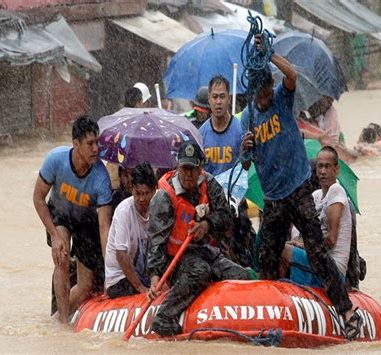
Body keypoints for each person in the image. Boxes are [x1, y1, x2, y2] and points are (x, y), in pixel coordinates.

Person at [240, 34, 361, 339]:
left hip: (297, 188)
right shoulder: (250, 117)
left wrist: (269, 54)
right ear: (254, 92)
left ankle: (346, 309)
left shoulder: (282, 97)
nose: (266, 96)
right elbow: (244, 164)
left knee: (319, 252)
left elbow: (291, 74)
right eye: (262, 92)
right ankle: (267, 314)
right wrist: (245, 149)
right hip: (273, 198)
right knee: (265, 258)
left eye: (268, 89)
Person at [147, 141, 252, 336]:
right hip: (177, 259)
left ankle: (233, 324)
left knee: (242, 276)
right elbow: (156, 242)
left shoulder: (209, 184)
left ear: (200, 168)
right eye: (184, 168)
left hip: (205, 252)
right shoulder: (164, 197)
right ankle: (164, 317)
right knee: (200, 271)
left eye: (192, 169)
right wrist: (155, 276)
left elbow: (226, 216)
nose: (188, 174)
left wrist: (207, 225)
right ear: (177, 167)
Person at [33, 116, 112, 323]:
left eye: (97, 143)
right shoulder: (55, 160)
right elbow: (38, 198)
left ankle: (58, 319)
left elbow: (104, 225)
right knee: (62, 258)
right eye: (90, 144)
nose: (96, 149)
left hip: (87, 222)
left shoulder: (101, 177)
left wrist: (108, 260)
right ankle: (63, 326)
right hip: (60, 215)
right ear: (76, 144)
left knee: (86, 285)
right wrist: (54, 236)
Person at [280, 147, 352, 288]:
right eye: (320, 166)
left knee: (282, 251)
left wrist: (303, 245)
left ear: (337, 169)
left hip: (332, 269)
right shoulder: (316, 195)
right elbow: (305, 233)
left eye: (327, 166)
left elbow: (331, 240)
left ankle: (284, 291)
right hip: (316, 260)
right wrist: (296, 243)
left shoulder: (336, 191)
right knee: (279, 245)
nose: (323, 172)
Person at [105, 163, 157, 298]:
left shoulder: (158, 208)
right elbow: (121, 256)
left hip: (144, 275)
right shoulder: (124, 211)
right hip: (119, 278)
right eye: (137, 193)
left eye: (146, 194)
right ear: (132, 189)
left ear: (153, 191)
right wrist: (141, 288)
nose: (141, 199)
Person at [199, 76, 243, 176]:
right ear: (209, 99)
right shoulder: (201, 135)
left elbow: (246, 167)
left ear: (229, 99)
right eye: (215, 97)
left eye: (222, 96)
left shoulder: (240, 131)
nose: (218, 102)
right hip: (210, 190)